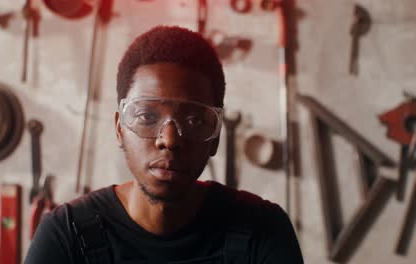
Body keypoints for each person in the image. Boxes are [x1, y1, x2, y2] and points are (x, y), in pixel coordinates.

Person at [24, 25, 303, 264]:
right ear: (120, 128)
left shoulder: (263, 231)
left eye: (193, 121)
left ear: (215, 136)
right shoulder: (66, 235)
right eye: (147, 116)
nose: (169, 140)